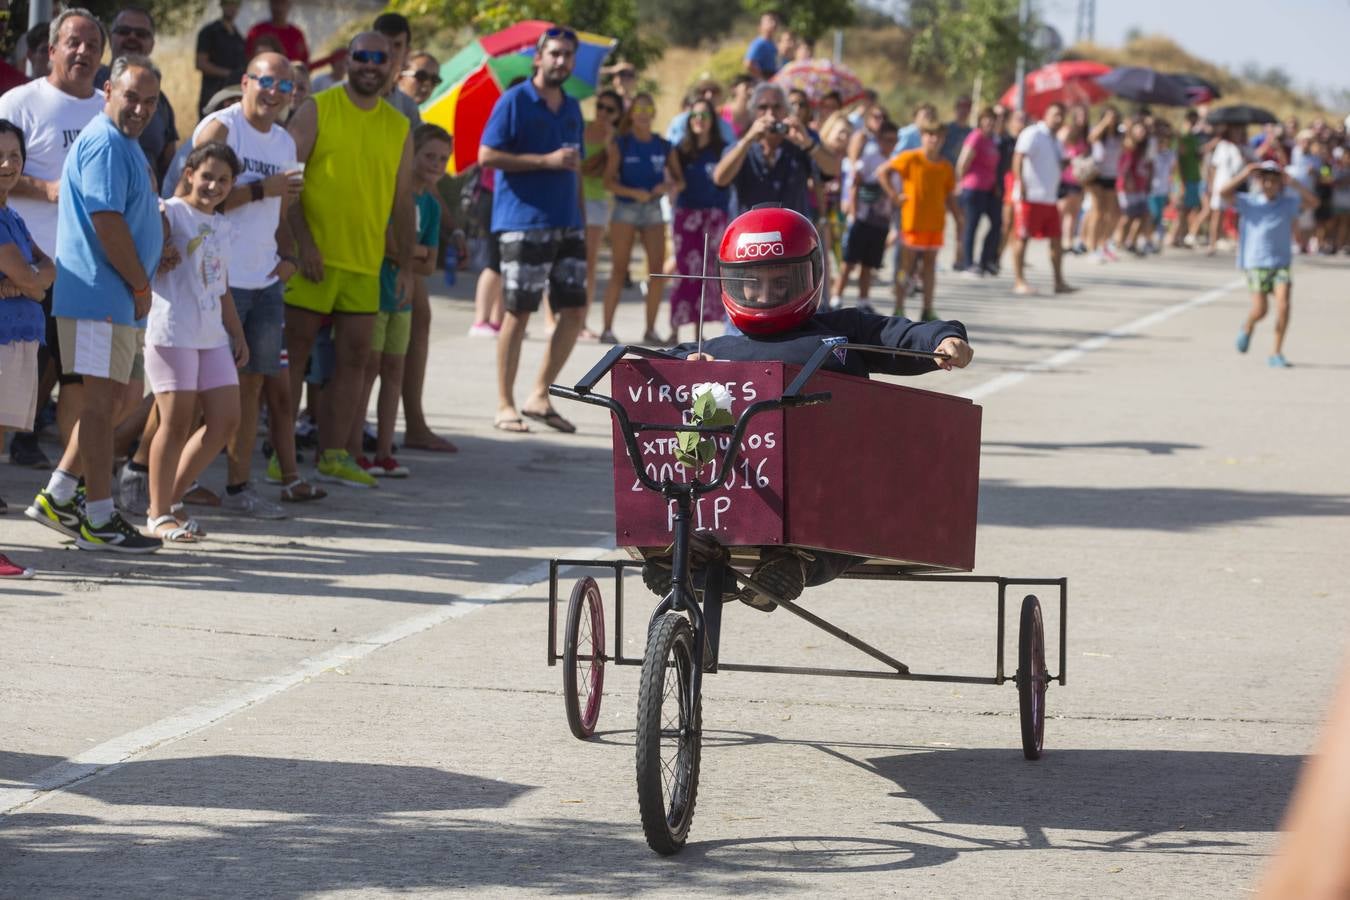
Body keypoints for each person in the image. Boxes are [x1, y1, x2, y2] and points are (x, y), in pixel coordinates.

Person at [649, 205, 973, 609]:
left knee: (835, 516)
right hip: (739, 496)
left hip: (832, 494)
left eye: (782, 281)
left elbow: (903, 334)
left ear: (812, 274)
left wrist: (945, 340)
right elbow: (646, 375)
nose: (765, 294)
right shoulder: (712, 349)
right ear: (727, 280)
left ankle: (793, 565)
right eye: (751, 282)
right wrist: (684, 370)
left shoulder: (842, 331)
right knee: (683, 476)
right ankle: (697, 561)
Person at [25, 54, 167, 553]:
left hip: (114, 299)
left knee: (117, 401)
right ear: (108, 90)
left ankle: (60, 493)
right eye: (132, 97)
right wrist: (141, 285)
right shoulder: (106, 143)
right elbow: (107, 223)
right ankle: (100, 517)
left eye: (150, 102)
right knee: (102, 406)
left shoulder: (124, 143)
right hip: (98, 296)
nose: (141, 109)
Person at [281, 31, 414, 488]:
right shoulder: (318, 107)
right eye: (362, 57)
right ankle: (283, 456)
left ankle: (334, 454)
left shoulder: (398, 126)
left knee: (356, 360)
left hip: (366, 264)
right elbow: (288, 182)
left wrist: (407, 268)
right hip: (311, 261)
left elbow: (402, 204)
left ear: (392, 66)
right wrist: (302, 245)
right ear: (348, 61)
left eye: (380, 57)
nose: (371, 65)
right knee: (293, 358)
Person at [193, 51, 324, 512]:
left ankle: (238, 485)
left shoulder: (285, 144)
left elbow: (280, 211)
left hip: (265, 282)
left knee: (251, 388)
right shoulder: (222, 129)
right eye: (266, 82)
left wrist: (287, 255)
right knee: (190, 390)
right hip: (214, 280)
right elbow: (187, 202)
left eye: (285, 87)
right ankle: (151, 474)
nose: (274, 93)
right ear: (246, 81)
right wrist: (255, 191)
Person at [0, 9, 106, 467]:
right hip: (19, 263)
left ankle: (70, 483)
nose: (83, 52)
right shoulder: (19, 102)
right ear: (52, 49)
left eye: (92, 46)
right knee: (19, 373)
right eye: (73, 43)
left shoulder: (109, 108)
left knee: (77, 377)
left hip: (87, 268)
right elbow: (4, 169)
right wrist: (46, 189)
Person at [479, 27, 588, 435]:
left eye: (567, 55)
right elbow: (486, 154)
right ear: (538, 58)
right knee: (518, 313)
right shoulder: (514, 101)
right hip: (522, 222)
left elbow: (575, 168)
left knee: (575, 312)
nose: (561, 61)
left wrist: (579, 218)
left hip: (568, 223)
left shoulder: (573, 107)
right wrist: (545, 161)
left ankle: (539, 394)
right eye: (554, 54)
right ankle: (504, 403)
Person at [143, 143, 247, 543]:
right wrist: (161, 248)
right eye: (207, 176)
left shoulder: (222, 225)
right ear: (189, 173)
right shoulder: (167, 213)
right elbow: (152, 254)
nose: (214, 186)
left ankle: (171, 498)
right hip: (171, 330)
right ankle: (157, 514)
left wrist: (237, 333)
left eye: (224, 180)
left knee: (225, 420)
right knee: (175, 422)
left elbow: (221, 289)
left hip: (212, 336)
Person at [353, 123, 447, 477]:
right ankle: (354, 447)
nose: (435, 164)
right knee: (368, 369)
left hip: (403, 300)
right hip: (376, 293)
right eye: (428, 156)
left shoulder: (432, 207)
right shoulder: (393, 193)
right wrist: (412, 251)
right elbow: (384, 242)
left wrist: (408, 251)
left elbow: (430, 264)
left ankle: (383, 453)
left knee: (394, 370)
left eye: (442, 159)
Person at [0, 118, 56, 576]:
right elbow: (32, 278)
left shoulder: (13, 216)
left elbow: (47, 268)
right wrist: (31, 286)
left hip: (17, 339)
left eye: (15, 155)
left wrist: (28, 285)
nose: (7, 164)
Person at [598, 92, 679, 345]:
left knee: (656, 272)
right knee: (619, 270)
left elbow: (679, 179)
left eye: (648, 110)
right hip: (626, 210)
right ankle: (607, 329)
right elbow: (608, 182)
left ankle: (651, 330)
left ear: (654, 114)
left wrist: (664, 187)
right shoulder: (621, 143)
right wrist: (634, 192)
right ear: (631, 114)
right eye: (638, 110)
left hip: (654, 210)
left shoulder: (663, 145)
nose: (643, 115)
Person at [1224, 161, 1317, 368]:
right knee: (1261, 310)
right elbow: (1222, 193)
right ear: (1259, 181)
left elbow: (1313, 203)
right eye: (1265, 180)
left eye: (1274, 181)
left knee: (1283, 305)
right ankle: (1248, 325)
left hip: (1281, 263)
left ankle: (1276, 352)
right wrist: (1244, 173)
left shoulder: (1287, 203)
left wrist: (1294, 183)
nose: (1269, 184)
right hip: (1256, 263)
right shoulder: (1248, 202)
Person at [712, 82, 839, 219]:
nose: (770, 114)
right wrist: (747, 140)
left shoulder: (799, 143)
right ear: (753, 113)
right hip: (749, 234)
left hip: (791, 234)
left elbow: (832, 170)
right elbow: (720, 179)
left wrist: (808, 144)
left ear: (786, 112)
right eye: (763, 107)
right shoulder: (741, 146)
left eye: (777, 107)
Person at [94, 8, 179, 188]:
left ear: (152, 43)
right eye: (124, 31)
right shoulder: (88, 83)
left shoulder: (161, 102)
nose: (132, 37)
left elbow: (169, 165)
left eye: (141, 34)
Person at [669, 96, 730, 343]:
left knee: (709, 274)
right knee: (685, 272)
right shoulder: (680, 151)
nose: (699, 120)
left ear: (712, 120)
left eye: (704, 115)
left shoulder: (723, 149)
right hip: (687, 216)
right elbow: (673, 182)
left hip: (715, 215)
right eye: (694, 115)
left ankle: (699, 332)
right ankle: (675, 328)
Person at [834, 117, 896, 313]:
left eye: (894, 140)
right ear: (879, 140)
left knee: (869, 263)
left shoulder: (896, 159)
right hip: (862, 215)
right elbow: (855, 182)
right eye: (886, 139)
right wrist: (853, 211)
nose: (890, 144)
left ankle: (863, 299)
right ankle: (836, 296)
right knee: (849, 261)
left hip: (882, 219)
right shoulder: (870, 157)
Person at [1010, 102, 1073, 296]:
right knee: (1022, 238)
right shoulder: (1033, 133)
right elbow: (1018, 158)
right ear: (1045, 114)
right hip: (1030, 197)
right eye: (1055, 114)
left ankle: (1059, 282)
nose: (1058, 119)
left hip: (1049, 198)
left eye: (1061, 115)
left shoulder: (1057, 140)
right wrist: (1021, 184)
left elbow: (1060, 164)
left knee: (1056, 240)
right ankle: (1019, 281)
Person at [577, 88, 622, 341]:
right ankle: (552, 318)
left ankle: (582, 320)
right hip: (571, 197)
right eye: (600, 107)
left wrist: (608, 147)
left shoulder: (615, 140)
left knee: (590, 263)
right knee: (562, 257)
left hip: (596, 201)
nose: (603, 113)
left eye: (610, 110)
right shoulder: (579, 126)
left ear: (617, 115)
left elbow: (606, 177)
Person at [955, 106, 1001, 277]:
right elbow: (962, 162)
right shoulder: (976, 137)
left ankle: (985, 260)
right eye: (987, 119)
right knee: (971, 226)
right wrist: (960, 182)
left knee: (997, 223)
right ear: (981, 121)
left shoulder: (992, 140)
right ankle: (967, 264)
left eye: (993, 120)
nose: (990, 123)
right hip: (973, 187)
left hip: (988, 189)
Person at [194, 0, 245, 117]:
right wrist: (229, 74)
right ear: (222, 4)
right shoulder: (209, 32)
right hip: (212, 95)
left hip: (233, 96)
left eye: (235, 4)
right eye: (229, 3)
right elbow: (201, 63)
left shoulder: (239, 37)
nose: (232, 7)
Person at [1086, 105, 1123, 261]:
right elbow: (1091, 138)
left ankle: (1103, 245)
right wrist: (1104, 124)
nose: (1111, 120)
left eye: (1113, 117)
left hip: (1111, 175)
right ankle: (1091, 247)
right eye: (1108, 117)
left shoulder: (1119, 136)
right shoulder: (1098, 132)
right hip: (1096, 175)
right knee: (1097, 212)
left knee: (1110, 213)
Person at [1206, 124, 1249, 256]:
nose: (1237, 135)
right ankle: (1212, 243)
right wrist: (1212, 184)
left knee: (1238, 214)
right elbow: (1213, 166)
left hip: (1235, 184)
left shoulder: (1240, 148)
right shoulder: (1223, 145)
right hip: (1221, 182)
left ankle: (1239, 241)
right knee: (1218, 213)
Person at [372, 12, 420, 127]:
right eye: (384, 42)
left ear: (406, 52)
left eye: (397, 45)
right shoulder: (344, 95)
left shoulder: (408, 109)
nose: (389, 50)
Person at [1114, 118, 1153, 256]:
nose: (1142, 133)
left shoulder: (1143, 147)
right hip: (1128, 187)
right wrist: (1127, 181)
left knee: (1144, 215)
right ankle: (1118, 242)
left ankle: (1132, 241)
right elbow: (1123, 167)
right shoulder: (1128, 145)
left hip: (1140, 186)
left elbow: (1147, 166)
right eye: (1139, 129)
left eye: (1144, 130)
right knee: (1128, 216)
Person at [1168, 109, 1205, 248]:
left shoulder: (1194, 139)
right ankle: (1173, 237)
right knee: (1181, 210)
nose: (1193, 125)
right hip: (1183, 179)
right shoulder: (1180, 138)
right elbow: (1177, 160)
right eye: (1191, 121)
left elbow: (1196, 156)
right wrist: (1181, 181)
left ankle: (1180, 237)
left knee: (1188, 209)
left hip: (1194, 177)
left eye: (1195, 122)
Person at [1146, 121, 1177, 253]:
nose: (1163, 142)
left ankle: (1156, 240)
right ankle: (1148, 239)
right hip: (1152, 189)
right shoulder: (1152, 153)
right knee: (1152, 215)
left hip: (1163, 189)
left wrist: (1171, 189)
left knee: (1159, 216)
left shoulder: (1170, 154)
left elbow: (1172, 171)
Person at [744, 11, 781, 81]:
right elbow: (748, 63)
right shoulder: (759, 43)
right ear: (760, 25)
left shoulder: (772, 43)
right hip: (765, 81)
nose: (774, 24)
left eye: (775, 21)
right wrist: (762, 78)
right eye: (770, 21)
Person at [721, 74, 754, 138]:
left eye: (752, 87)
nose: (751, 91)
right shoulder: (721, 112)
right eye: (747, 87)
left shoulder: (754, 113)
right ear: (734, 89)